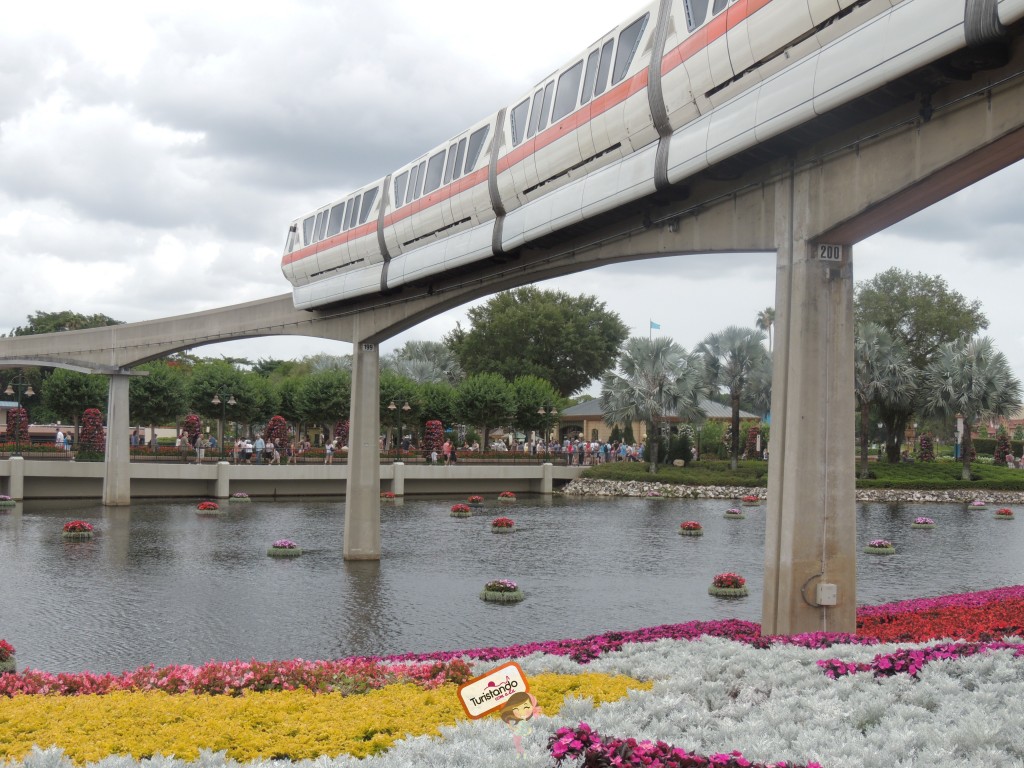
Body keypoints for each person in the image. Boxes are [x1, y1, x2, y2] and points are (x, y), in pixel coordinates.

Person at [499, 691, 543, 758]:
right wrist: (510, 726)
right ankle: (519, 755)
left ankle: (524, 754)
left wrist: (528, 732)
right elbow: (517, 729)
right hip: (517, 736)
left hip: (524, 738)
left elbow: (528, 729)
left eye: (526, 708)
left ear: (533, 705)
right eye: (516, 709)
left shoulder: (527, 721)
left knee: (522, 746)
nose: (521, 712)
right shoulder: (519, 722)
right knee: (517, 746)